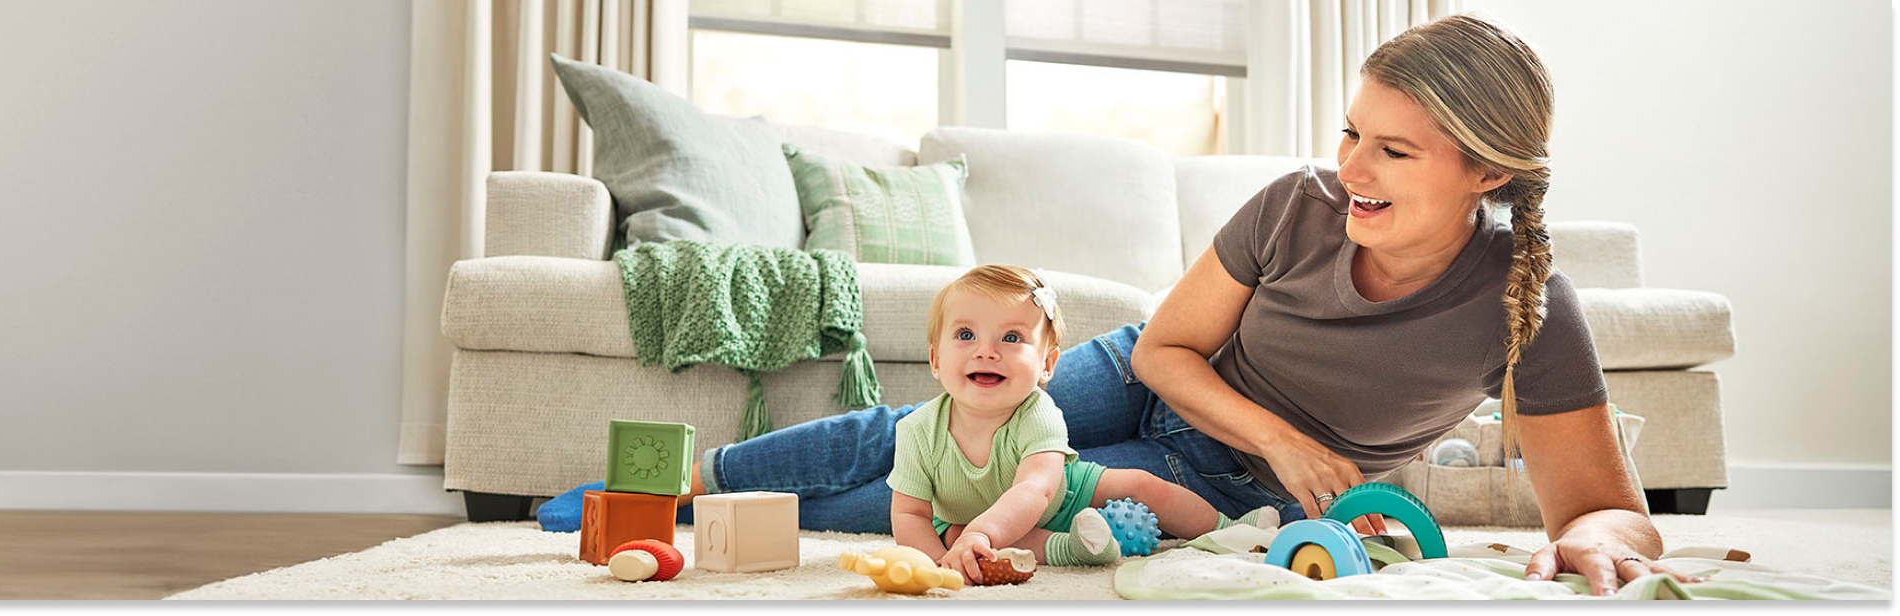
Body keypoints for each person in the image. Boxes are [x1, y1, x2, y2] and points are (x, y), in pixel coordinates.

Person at [545, 14, 1689, 596]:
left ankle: (700, 530)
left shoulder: (1525, 306)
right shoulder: (1292, 208)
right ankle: (678, 485)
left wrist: (1591, 548)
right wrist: (1284, 435)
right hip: (1157, 381)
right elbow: (1173, 351)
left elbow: (1603, 506)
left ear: (1486, 174)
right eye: (1350, 131)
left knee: (904, 514)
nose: (1351, 167)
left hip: (1223, 488)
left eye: (1393, 151)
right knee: (920, 438)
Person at [887, 265, 1233, 583]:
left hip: (1064, 496)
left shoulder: (1040, 412)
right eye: (965, 335)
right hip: (970, 521)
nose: (986, 352)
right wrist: (937, 566)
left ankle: (1227, 530)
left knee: (1145, 486)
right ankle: (1075, 549)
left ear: (1047, 364)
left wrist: (982, 533)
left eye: (1011, 338)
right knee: (956, 535)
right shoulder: (916, 429)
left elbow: (1035, 490)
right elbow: (910, 513)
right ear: (935, 360)